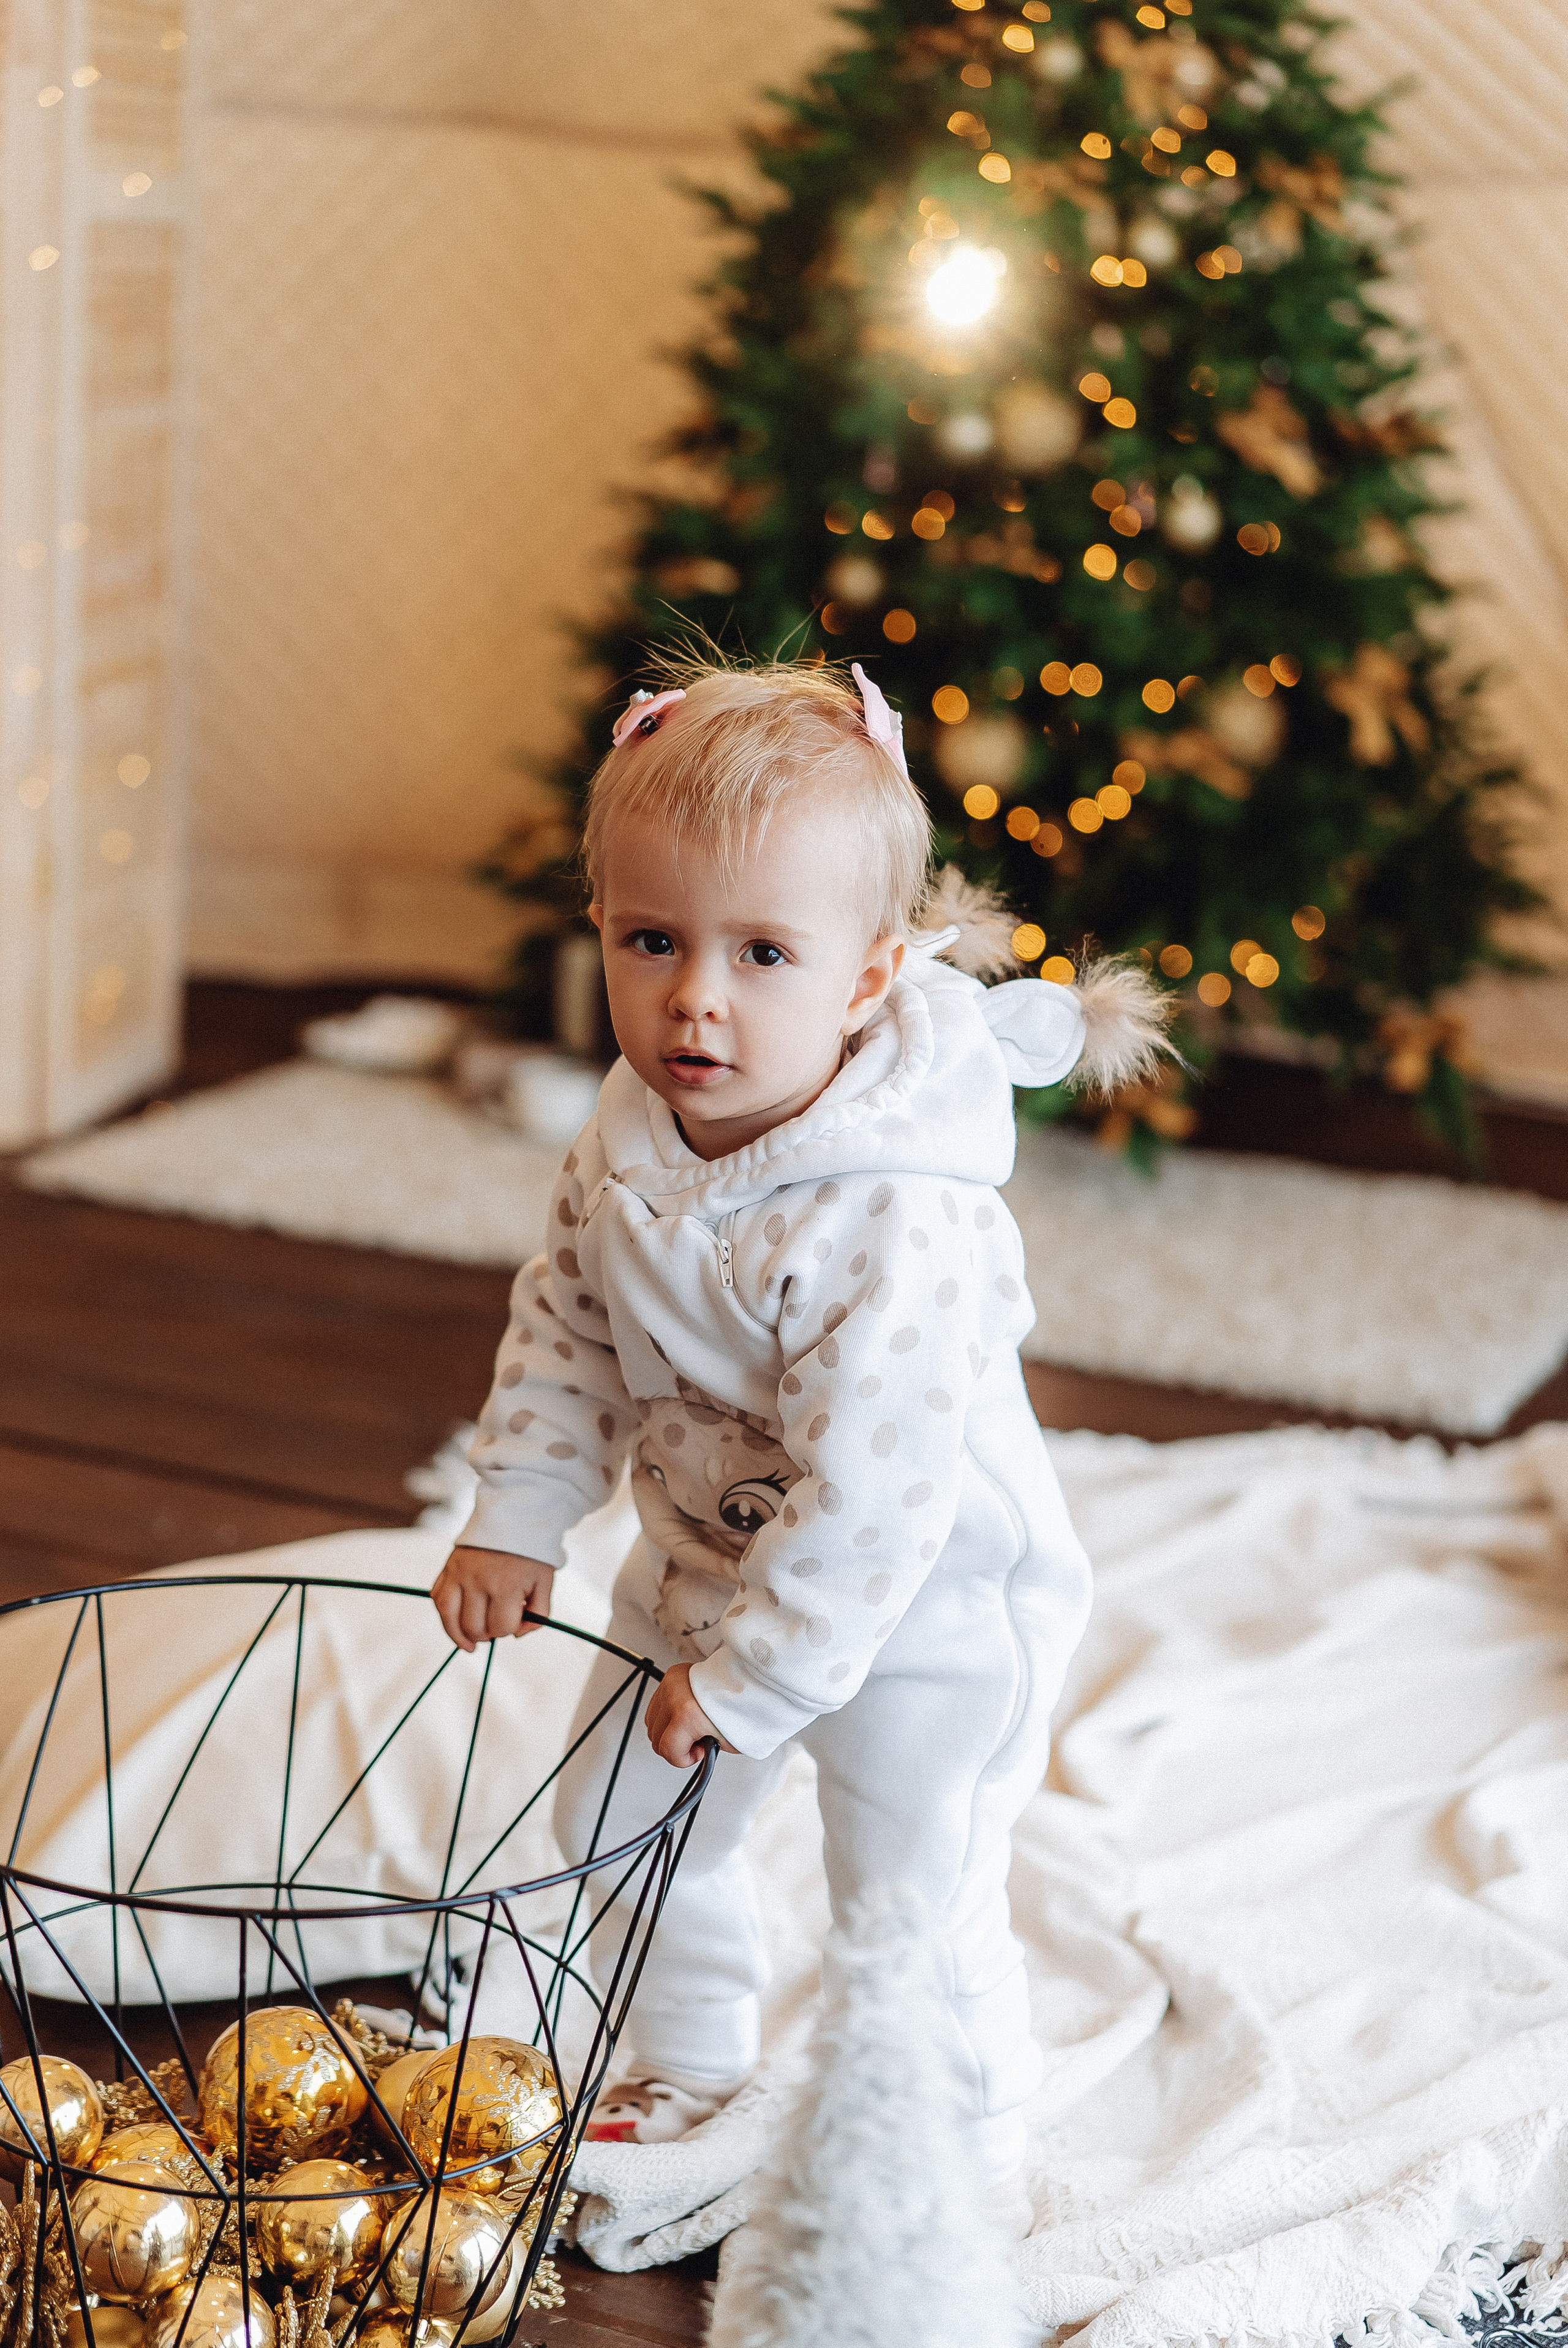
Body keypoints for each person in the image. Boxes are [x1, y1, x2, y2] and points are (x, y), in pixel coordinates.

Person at [431, 654, 1169, 2215]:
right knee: (615, 1835)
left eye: (762, 952)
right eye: (653, 940)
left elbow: (879, 1498)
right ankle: (685, 2057)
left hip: (921, 1612)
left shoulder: (896, 1214)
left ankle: (945, 2152)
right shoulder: (624, 1141)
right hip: (700, 1556)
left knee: (904, 1886)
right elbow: (566, 1329)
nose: (696, 996)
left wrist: (760, 1677)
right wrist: (518, 1504)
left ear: (864, 978)